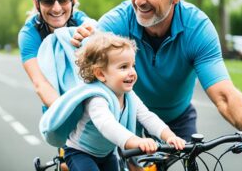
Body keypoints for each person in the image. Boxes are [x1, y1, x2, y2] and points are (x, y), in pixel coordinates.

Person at [72, 0, 242, 150]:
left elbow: (224, 95)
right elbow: (84, 70)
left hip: (178, 119)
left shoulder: (197, 29)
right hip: (127, 116)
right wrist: (82, 39)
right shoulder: (116, 23)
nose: (139, 0)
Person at [42, 32, 185, 171]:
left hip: (107, 154)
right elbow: (107, 125)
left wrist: (169, 137)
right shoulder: (97, 98)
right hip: (80, 153)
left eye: (132, 65)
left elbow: (147, 117)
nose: (131, 72)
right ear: (100, 74)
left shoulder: (129, 95)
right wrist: (137, 141)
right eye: (123, 67)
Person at [18, 0, 94, 171]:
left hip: (95, 108)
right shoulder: (29, 34)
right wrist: (72, 113)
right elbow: (40, 84)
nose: (57, 8)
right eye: (48, 2)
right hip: (61, 112)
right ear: (36, 4)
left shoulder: (83, 22)